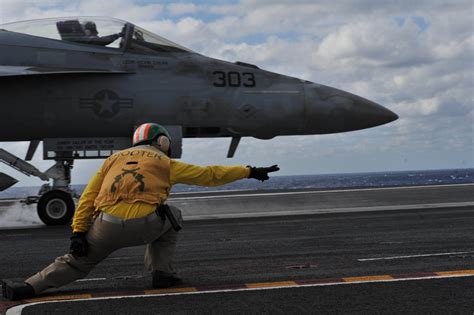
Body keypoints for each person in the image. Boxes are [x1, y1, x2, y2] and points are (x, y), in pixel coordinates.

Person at [1, 123, 279, 300]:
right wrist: (250, 171)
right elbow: (210, 174)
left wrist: (77, 233)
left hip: (105, 226)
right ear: (160, 141)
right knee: (174, 216)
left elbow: (88, 197)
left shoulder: (112, 160)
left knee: (76, 262)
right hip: (145, 225)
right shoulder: (165, 161)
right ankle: (162, 274)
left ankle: (28, 287)